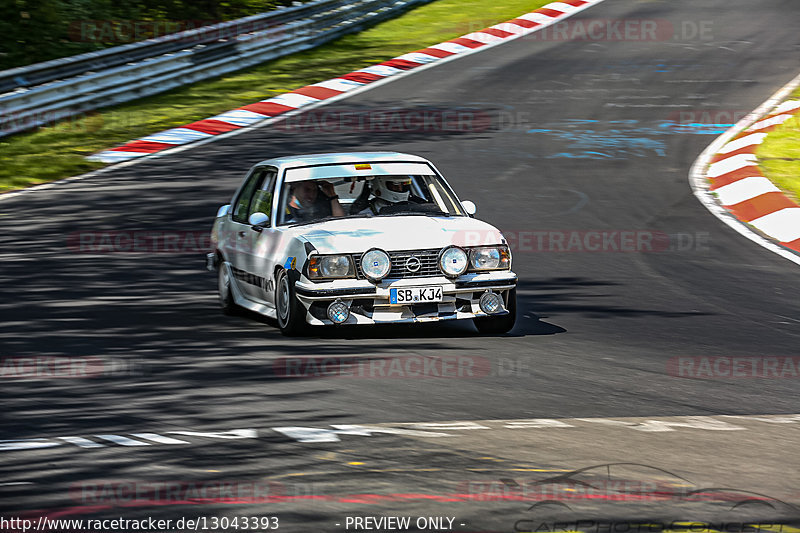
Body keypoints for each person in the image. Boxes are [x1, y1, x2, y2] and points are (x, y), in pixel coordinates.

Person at [351, 176, 418, 215]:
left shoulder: (417, 208)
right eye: (395, 184)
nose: (399, 188)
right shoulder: (365, 215)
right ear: (379, 185)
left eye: (403, 185)